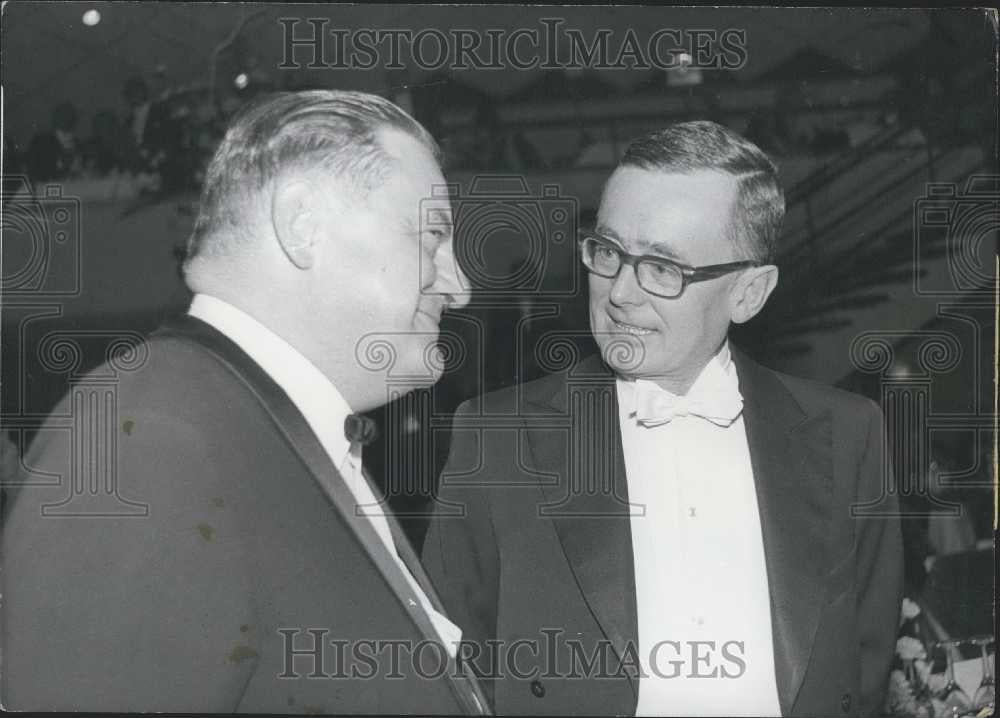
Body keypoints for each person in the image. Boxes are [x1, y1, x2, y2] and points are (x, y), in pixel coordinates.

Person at [3, 90, 487, 714]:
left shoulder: (253, 424)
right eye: (432, 235)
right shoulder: (151, 442)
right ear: (304, 226)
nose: (460, 286)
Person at [423, 121, 903, 717]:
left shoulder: (848, 434)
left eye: (663, 268)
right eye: (607, 251)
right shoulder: (497, 437)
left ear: (749, 293)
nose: (620, 292)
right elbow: (450, 678)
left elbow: (866, 659)